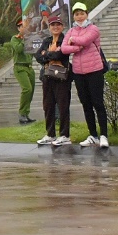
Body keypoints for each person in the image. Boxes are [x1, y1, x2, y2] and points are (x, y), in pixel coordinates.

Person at [61, 3, 108, 147]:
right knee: (86, 104)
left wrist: (74, 41)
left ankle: (104, 135)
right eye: (76, 14)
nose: (79, 17)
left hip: (94, 70)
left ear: (87, 14)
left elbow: (86, 40)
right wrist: (77, 46)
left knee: (98, 103)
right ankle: (93, 135)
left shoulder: (93, 28)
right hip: (78, 72)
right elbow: (63, 48)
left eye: (82, 13)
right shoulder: (71, 30)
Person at [35, 16, 72, 146]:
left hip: (61, 77)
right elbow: (38, 56)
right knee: (48, 106)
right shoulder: (47, 40)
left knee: (63, 106)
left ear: (62, 26)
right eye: (52, 25)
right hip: (47, 76)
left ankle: (65, 135)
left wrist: (47, 54)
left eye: (58, 24)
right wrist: (48, 55)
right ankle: (50, 134)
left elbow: (61, 55)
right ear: (49, 27)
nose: (55, 27)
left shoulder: (65, 40)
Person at [2, 18, 35, 125]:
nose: (25, 28)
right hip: (20, 67)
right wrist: (25, 39)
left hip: (29, 67)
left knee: (31, 91)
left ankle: (26, 113)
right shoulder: (15, 39)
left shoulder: (30, 38)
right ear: (19, 28)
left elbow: (34, 51)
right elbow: (18, 50)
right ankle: (21, 113)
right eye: (22, 26)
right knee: (27, 89)